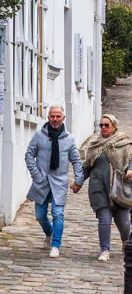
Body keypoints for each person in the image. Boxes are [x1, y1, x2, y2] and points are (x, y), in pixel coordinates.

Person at [25, 105, 84, 258]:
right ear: (48, 117)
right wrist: (36, 175)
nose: (55, 119)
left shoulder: (69, 138)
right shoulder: (39, 135)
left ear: (63, 118)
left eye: (58, 116)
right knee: (40, 215)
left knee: (58, 214)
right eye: (53, 116)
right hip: (42, 181)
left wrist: (79, 180)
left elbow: (76, 161)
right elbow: (29, 155)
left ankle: (55, 244)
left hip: (59, 182)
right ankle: (49, 233)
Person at [79, 114, 132, 262]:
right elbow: (86, 167)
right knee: (104, 219)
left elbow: (131, 161)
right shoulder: (94, 145)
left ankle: (125, 241)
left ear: (114, 127)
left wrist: (130, 170)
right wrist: (78, 182)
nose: (103, 128)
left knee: (124, 223)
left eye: (106, 125)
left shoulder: (124, 143)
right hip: (99, 189)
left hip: (119, 188)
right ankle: (105, 249)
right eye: (101, 125)